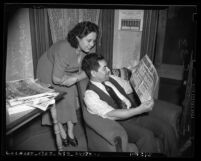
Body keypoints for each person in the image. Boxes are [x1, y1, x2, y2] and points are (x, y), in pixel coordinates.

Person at [81, 53, 179, 156]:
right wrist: (139, 110)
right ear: (94, 73)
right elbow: (113, 114)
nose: (108, 70)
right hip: (121, 123)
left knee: (167, 128)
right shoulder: (90, 95)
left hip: (135, 114)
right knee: (146, 136)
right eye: (104, 68)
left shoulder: (112, 79)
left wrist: (141, 77)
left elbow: (130, 85)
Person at [36, 21, 99, 147]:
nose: (92, 45)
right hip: (48, 71)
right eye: (89, 40)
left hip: (65, 71)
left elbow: (93, 68)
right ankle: (63, 133)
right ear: (77, 38)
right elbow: (56, 79)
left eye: (94, 41)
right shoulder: (64, 50)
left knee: (69, 99)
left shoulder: (87, 46)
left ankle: (70, 131)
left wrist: (76, 77)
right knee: (55, 102)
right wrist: (77, 76)